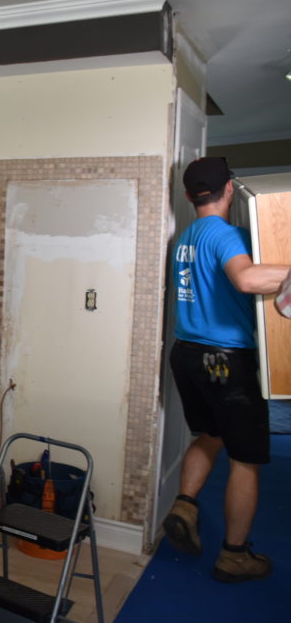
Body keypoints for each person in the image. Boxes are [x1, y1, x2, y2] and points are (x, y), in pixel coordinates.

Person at [164, 157, 290, 583]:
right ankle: (234, 555)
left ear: (188, 196)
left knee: (210, 434)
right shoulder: (226, 235)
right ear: (230, 188)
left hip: (186, 354)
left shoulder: (187, 236)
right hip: (224, 360)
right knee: (245, 459)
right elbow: (247, 280)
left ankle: (185, 504)